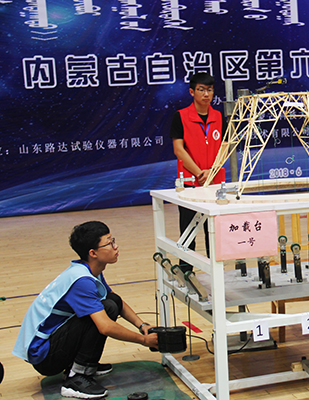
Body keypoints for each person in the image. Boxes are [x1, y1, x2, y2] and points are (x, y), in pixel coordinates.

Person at [13, 221, 159, 399]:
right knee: (106, 309)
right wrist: (143, 340)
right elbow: (105, 327)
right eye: (109, 243)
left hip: (54, 342)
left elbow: (116, 300)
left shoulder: (89, 269)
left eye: (113, 240)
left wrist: (142, 325)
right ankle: (76, 377)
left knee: (111, 301)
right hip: (46, 356)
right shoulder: (82, 281)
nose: (115, 246)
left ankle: (84, 364)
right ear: (93, 253)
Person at [170, 72, 225, 269]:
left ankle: (216, 272)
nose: (206, 94)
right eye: (201, 90)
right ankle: (186, 273)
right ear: (192, 92)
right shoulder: (181, 116)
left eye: (209, 90)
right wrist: (200, 172)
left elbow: (225, 146)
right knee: (188, 231)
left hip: (215, 183)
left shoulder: (219, 117)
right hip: (190, 183)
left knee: (214, 232)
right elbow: (179, 149)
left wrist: (212, 171)